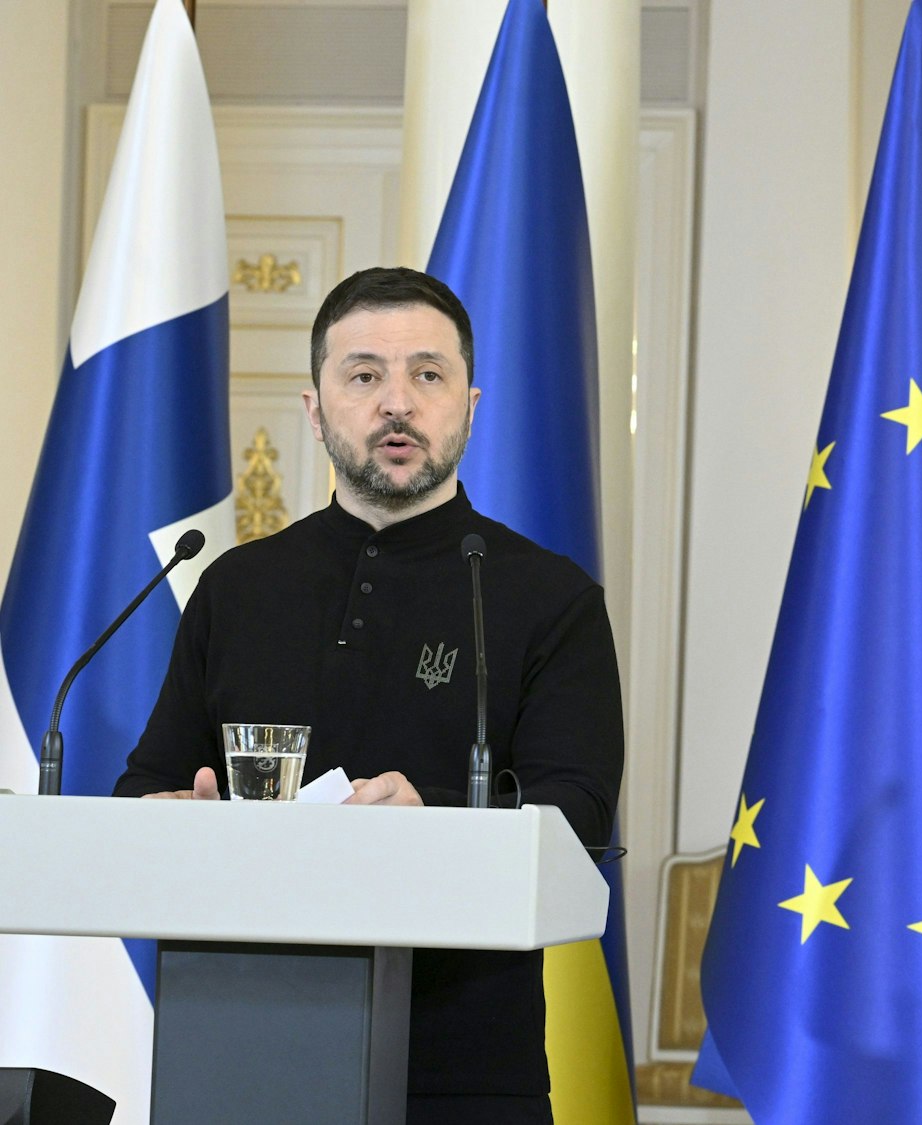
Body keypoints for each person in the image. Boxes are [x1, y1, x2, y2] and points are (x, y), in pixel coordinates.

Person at [114, 266, 624, 1125]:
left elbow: (576, 815)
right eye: (364, 375)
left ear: (470, 403)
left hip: (463, 1071)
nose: (398, 402)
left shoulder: (549, 596)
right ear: (315, 409)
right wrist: (175, 813)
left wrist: (439, 821)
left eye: (428, 374)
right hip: (235, 1057)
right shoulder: (238, 588)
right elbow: (145, 787)